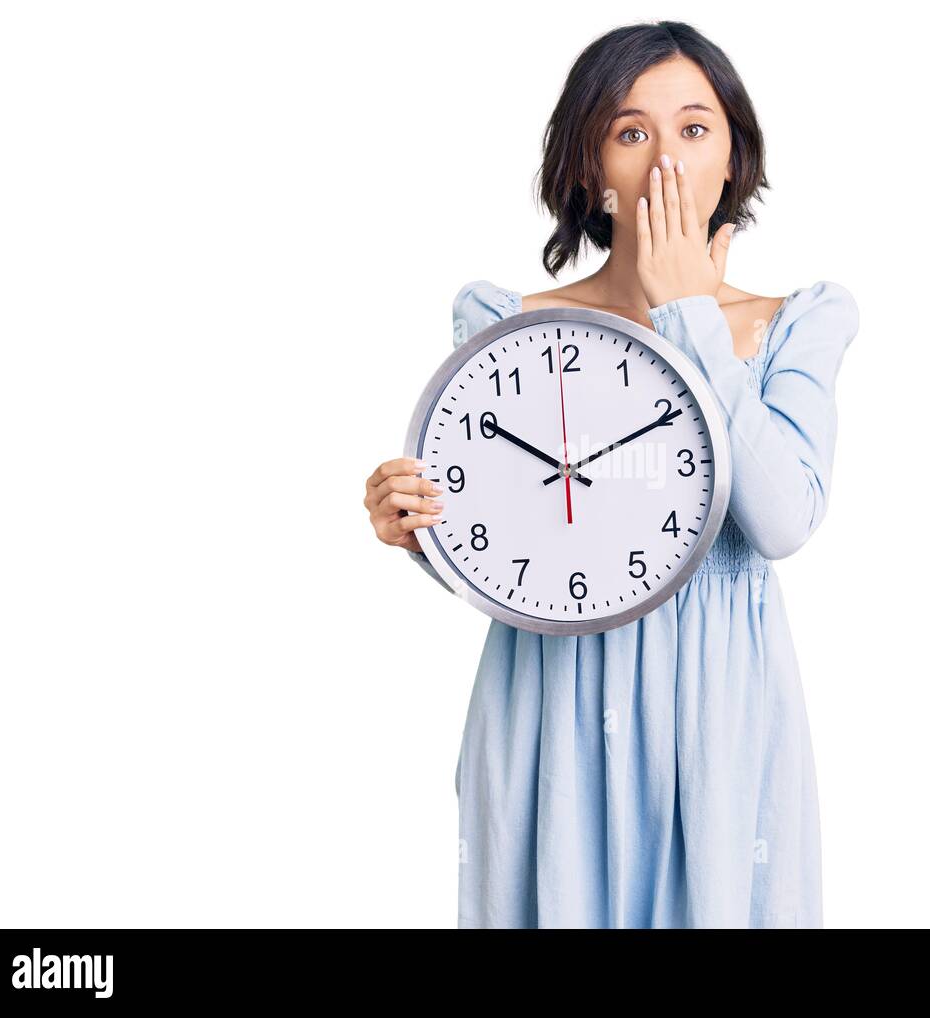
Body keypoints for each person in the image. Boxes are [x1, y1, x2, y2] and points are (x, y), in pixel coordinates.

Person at [363, 20, 860, 928]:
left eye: (694, 128)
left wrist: (687, 313)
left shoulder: (799, 320)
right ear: (592, 168)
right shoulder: (507, 324)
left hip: (721, 711)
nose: (665, 157)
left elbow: (783, 519)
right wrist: (416, 527)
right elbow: (515, 537)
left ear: (734, 161)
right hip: (547, 701)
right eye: (632, 132)